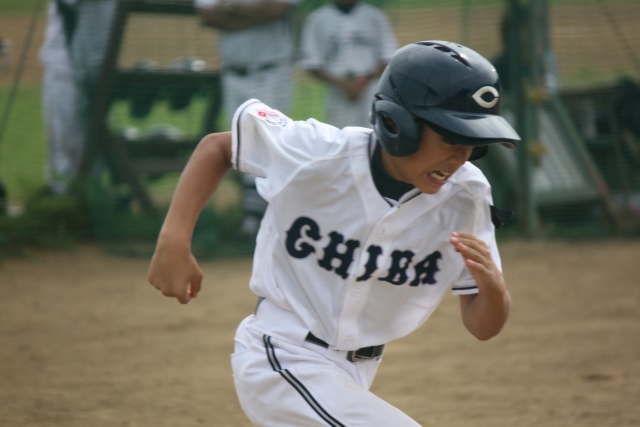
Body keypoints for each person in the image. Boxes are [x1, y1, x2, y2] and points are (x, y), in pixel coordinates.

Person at [148, 40, 520, 426]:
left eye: (473, 145)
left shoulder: (466, 197)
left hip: (353, 374)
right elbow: (220, 147)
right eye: (451, 139)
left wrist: (494, 291)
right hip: (281, 355)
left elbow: (482, 327)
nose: (460, 157)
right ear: (398, 124)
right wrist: (173, 240)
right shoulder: (319, 154)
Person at [194, 0, 300, 238]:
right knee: (242, 145)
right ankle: (252, 220)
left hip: (271, 72)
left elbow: (278, 9)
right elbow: (207, 15)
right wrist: (255, 15)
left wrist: (230, 9)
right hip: (232, 73)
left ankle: (274, 219)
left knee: (273, 144)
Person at [39, 0, 117, 195]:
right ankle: (75, 200)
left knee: (74, 152)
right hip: (85, 66)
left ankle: (76, 202)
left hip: (79, 65)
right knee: (74, 150)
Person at [299, 0, 397, 129]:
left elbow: (388, 57)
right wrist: (343, 84)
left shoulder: (374, 16)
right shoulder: (317, 19)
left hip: (371, 90)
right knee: (339, 134)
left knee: (374, 132)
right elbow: (312, 63)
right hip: (337, 93)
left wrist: (362, 81)